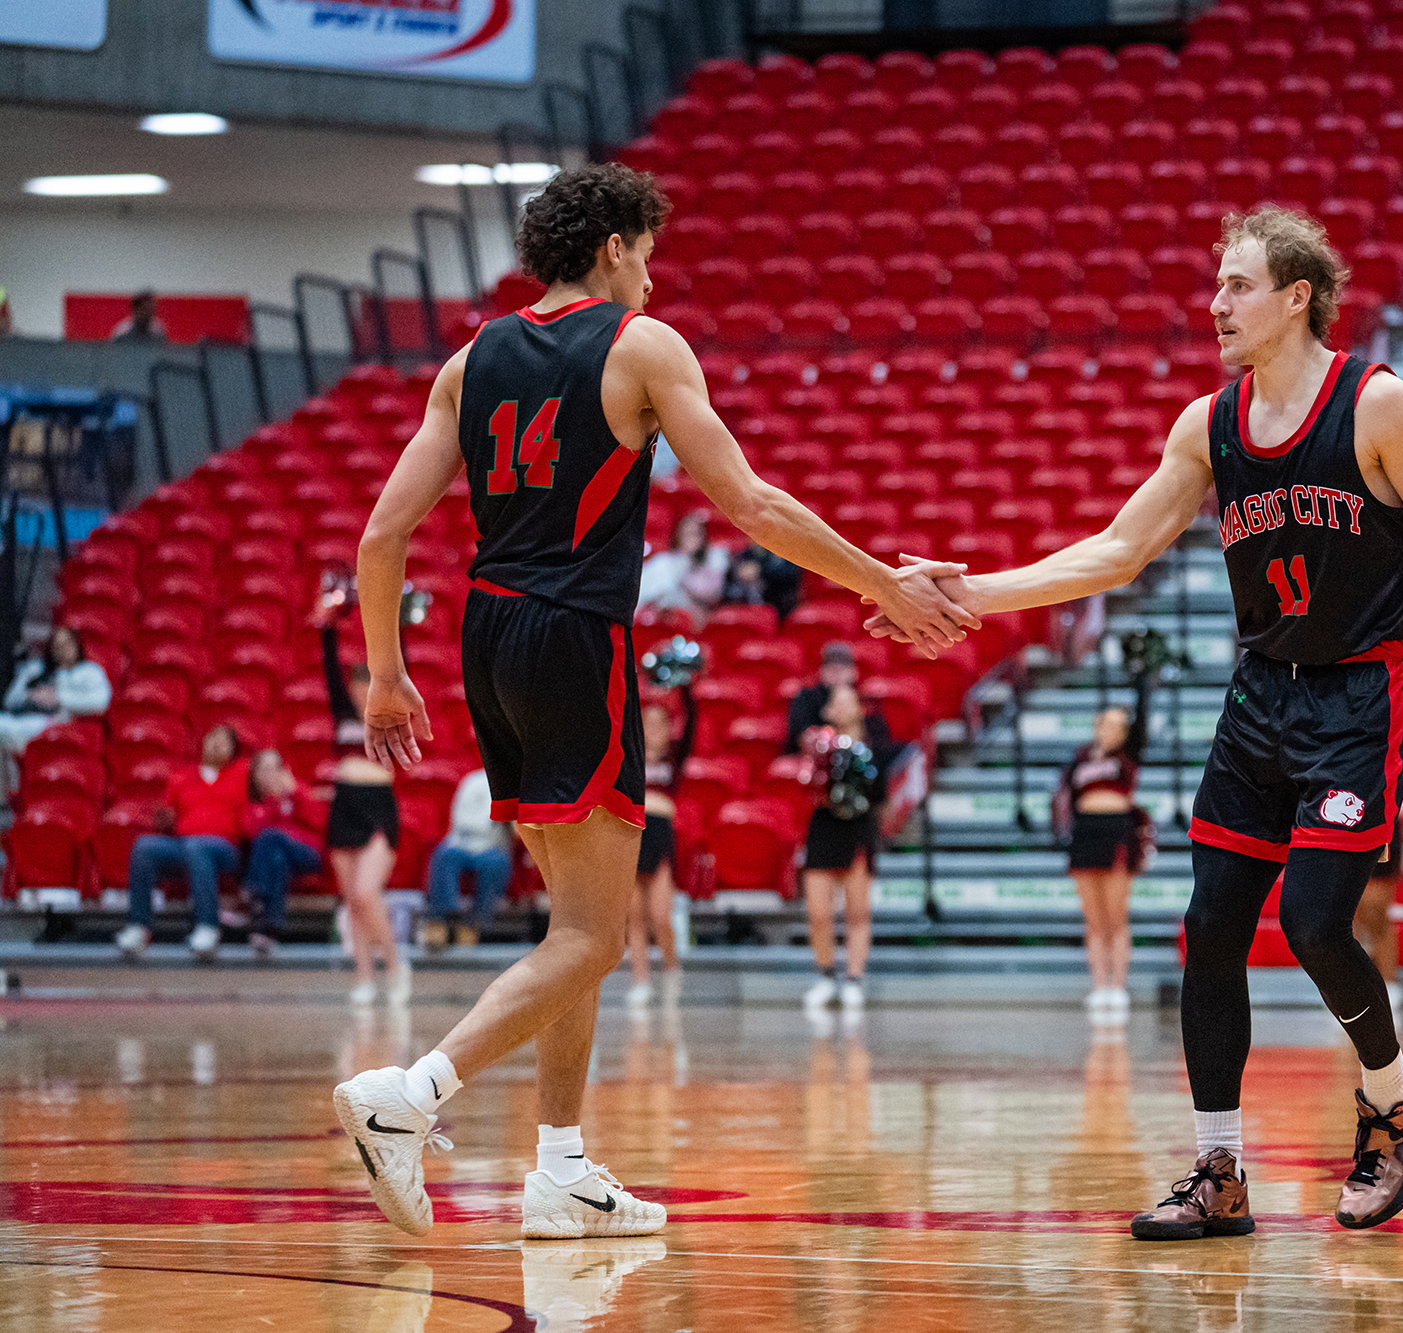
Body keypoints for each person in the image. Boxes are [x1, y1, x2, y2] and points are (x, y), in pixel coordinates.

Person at [331, 161, 973, 1242]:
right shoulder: (638, 348)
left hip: (485, 635)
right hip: (575, 637)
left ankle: (561, 1169)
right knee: (595, 936)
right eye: (652, 256)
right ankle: (414, 1096)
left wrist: (386, 673)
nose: (657, 282)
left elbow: (382, 536)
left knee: (572, 924)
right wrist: (883, 583)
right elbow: (754, 503)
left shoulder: (469, 360)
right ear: (617, 247)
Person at [869, 206, 1403, 1237]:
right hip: (1262, 693)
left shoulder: (1376, 405)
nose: (1214, 303)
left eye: (1236, 286)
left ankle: (1393, 1103)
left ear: (1295, 296)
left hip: (1363, 690)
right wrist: (971, 595)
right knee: (1209, 927)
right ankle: (1216, 1169)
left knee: (1312, 920)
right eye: (1215, 285)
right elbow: (1115, 551)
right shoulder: (1207, 424)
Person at [316, 609, 406, 1006]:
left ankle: (396, 967)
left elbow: (400, 659)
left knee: (369, 892)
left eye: (366, 680)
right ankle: (365, 979)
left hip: (379, 805)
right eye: (356, 680)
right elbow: (328, 666)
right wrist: (327, 625)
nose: (359, 686)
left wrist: (396, 621)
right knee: (351, 899)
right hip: (345, 804)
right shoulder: (340, 710)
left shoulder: (388, 711)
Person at [1056, 673, 1151, 1020]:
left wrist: (1141, 678)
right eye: (1105, 722)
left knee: (1116, 915)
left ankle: (1118, 986)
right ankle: (1099, 985)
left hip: (1116, 829)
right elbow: (1064, 795)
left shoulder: (1128, 755)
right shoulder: (1080, 757)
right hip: (1085, 831)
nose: (1110, 728)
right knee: (1093, 919)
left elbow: (1142, 719)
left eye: (1117, 724)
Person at [113, 725, 250, 962]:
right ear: (203, 742)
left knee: (199, 846)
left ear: (233, 749)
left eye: (224, 740)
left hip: (225, 848)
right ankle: (139, 927)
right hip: (184, 844)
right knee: (144, 845)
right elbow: (167, 821)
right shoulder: (180, 777)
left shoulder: (241, 773)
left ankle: (208, 927)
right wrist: (164, 820)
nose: (217, 743)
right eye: (213, 737)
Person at [799, 683, 891, 1015]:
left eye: (848, 701)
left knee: (857, 912)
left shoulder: (874, 746)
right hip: (824, 825)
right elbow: (807, 783)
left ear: (858, 707)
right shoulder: (818, 744)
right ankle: (825, 976)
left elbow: (881, 794)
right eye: (835, 702)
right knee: (819, 913)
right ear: (828, 710)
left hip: (859, 828)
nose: (841, 707)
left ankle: (854, 979)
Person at [627, 688, 695, 1009]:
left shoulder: (674, 756)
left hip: (660, 836)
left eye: (660, 723)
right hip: (632, 835)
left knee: (661, 917)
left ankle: (671, 970)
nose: (654, 729)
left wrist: (684, 686)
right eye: (647, 722)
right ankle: (641, 980)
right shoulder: (630, 755)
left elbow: (692, 719)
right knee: (634, 918)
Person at [242, 748, 324, 960]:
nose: (270, 774)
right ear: (255, 774)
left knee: (272, 838)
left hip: (307, 853)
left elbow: (319, 821)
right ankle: (270, 929)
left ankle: (254, 891)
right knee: (277, 857)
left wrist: (295, 793)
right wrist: (274, 800)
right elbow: (252, 833)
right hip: (278, 860)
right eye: (264, 769)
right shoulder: (253, 804)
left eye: (275, 768)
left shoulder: (299, 790)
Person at [421, 768, 516, 952]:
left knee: (495, 863)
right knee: (443, 855)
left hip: (493, 846)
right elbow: (458, 822)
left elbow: (517, 830)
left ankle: (475, 924)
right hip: (462, 841)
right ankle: (442, 919)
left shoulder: (511, 785)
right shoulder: (471, 782)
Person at [0, 626, 112, 754]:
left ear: (77, 645)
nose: (63, 650)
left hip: (61, 727)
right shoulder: (38, 670)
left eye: (67, 644)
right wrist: (26, 684)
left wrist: (58, 698)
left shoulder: (89, 671)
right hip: (26, 719)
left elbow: (101, 702)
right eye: (57, 646)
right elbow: (9, 702)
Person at [785, 642, 891, 755]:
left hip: (861, 758)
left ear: (854, 672)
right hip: (821, 757)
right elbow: (800, 737)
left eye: (843, 668)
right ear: (821, 671)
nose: (837, 673)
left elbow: (879, 741)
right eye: (831, 668)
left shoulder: (865, 699)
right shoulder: (807, 697)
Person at [636, 510, 729, 619]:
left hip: (694, 618)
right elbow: (643, 595)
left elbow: (713, 595)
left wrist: (686, 578)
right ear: (678, 536)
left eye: (696, 534)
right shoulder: (663, 562)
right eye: (688, 534)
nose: (692, 539)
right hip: (663, 616)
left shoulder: (711, 561)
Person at [1354, 830, 1403, 1013]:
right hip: (1332, 830)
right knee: (1339, 915)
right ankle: (1348, 986)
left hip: (1377, 827)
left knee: (1376, 911)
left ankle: (1388, 983)